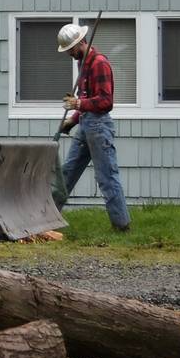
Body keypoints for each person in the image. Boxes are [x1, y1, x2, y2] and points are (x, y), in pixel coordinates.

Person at [57, 21, 131, 231]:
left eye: (69, 49)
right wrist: (73, 119)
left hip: (100, 127)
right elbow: (87, 98)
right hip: (86, 124)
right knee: (67, 172)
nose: (69, 54)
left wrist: (79, 104)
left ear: (79, 43)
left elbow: (106, 102)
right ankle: (47, 219)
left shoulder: (99, 63)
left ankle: (121, 226)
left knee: (107, 177)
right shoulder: (83, 64)